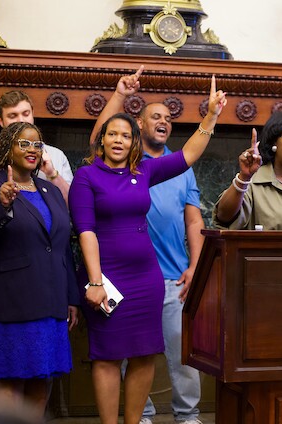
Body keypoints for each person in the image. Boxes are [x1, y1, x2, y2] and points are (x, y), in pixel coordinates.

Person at [69, 77, 226, 424]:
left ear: (133, 140)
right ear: (102, 140)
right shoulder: (87, 176)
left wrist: (211, 116)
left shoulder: (144, 170)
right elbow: (86, 232)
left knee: (144, 354)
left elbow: (187, 156)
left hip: (147, 279)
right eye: (113, 134)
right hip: (106, 278)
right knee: (108, 356)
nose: (119, 140)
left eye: (126, 135)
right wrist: (95, 281)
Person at [0, 122, 79, 419]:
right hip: (8, 305)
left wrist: (71, 296)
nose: (32, 150)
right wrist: (1, 206)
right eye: (23, 144)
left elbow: (62, 244)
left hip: (49, 302)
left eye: (37, 145)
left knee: (41, 381)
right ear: (6, 148)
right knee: (9, 383)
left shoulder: (50, 190)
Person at [0, 91, 73, 210]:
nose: (21, 120)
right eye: (12, 116)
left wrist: (52, 174)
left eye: (26, 114)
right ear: (0, 120)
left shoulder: (56, 155)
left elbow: (74, 208)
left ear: (32, 114)